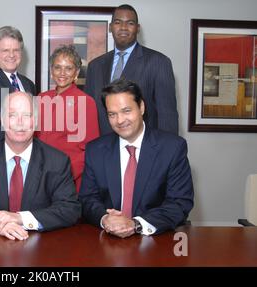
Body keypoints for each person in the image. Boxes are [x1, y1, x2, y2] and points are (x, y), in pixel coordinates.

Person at [0, 92, 80, 240]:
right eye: (12, 115)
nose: (20, 122)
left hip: (40, 250)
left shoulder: (57, 161)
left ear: (36, 120)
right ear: (2, 120)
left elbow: (69, 209)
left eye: (27, 115)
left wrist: (19, 218)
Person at [79, 79, 193, 238]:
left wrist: (136, 224)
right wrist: (105, 218)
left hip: (155, 239)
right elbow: (87, 199)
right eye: (112, 114)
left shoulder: (172, 148)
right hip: (107, 239)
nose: (120, 120)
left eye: (126, 111)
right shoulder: (95, 150)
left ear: (141, 107)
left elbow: (179, 203)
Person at [85, 4, 179, 135]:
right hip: (103, 149)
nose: (123, 27)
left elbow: (167, 117)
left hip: (142, 149)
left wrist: (166, 153)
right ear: (110, 27)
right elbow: (88, 116)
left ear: (138, 28)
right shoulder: (95, 66)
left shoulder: (159, 62)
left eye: (130, 23)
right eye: (118, 22)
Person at [36, 45, 99, 192]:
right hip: (38, 177)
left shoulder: (85, 102)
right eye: (57, 67)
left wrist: (62, 176)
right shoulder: (41, 98)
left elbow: (89, 150)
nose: (62, 73)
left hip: (67, 179)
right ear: (51, 71)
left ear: (76, 72)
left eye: (68, 68)